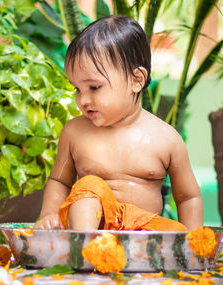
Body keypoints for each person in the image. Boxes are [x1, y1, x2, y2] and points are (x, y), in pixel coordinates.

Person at [34, 15, 203, 231]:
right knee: (89, 186)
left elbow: (188, 197)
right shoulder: (75, 132)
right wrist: (49, 215)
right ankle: (86, 248)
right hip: (92, 227)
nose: (83, 99)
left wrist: (191, 243)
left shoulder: (167, 139)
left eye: (94, 87)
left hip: (141, 233)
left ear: (136, 80)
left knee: (176, 231)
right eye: (77, 89)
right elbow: (60, 181)